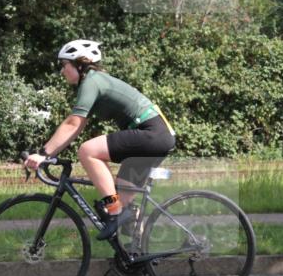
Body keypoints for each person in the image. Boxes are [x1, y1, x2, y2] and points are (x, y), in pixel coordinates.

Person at [24, 39, 176, 241]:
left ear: (80, 64)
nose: (62, 71)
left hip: (151, 133)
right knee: (125, 204)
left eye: (64, 65)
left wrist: (43, 154)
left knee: (87, 151)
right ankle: (138, 262)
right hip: (158, 136)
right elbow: (76, 126)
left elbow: (73, 124)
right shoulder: (95, 81)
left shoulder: (92, 81)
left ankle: (115, 210)